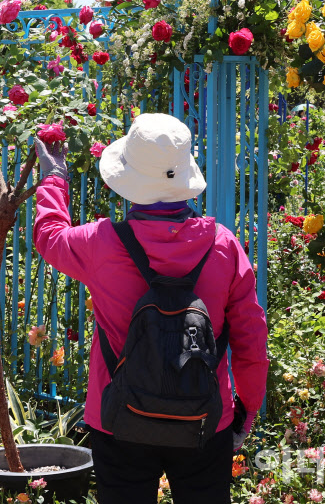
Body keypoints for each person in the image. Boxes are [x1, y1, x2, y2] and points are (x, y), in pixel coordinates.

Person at [34, 112, 268, 504]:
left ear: (129, 179)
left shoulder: (99, 243)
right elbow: (251, 339)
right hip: (204, 418)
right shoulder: (223, 246)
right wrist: (246, 411)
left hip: (118, 416)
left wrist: (55, 176)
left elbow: (49, 236)